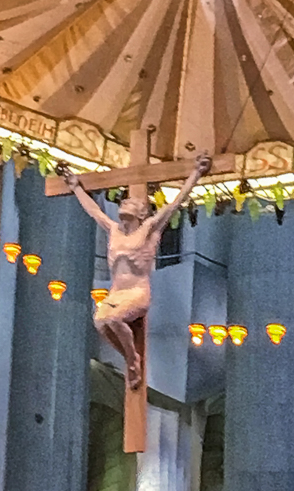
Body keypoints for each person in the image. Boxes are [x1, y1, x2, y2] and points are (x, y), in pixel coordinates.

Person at [62, 153, 212, 389]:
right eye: (123, 203)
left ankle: (133, 360)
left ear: (142, 213)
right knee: (100, 322)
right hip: (116, 292)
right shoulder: (113, 229)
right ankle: (129, 357)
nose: (124, 204)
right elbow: (94, 211)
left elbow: (174, 204)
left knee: (113, 318)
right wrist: (76, 187)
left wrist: (195, 173)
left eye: (130, 203)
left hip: (136, 291)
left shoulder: (149, 229)